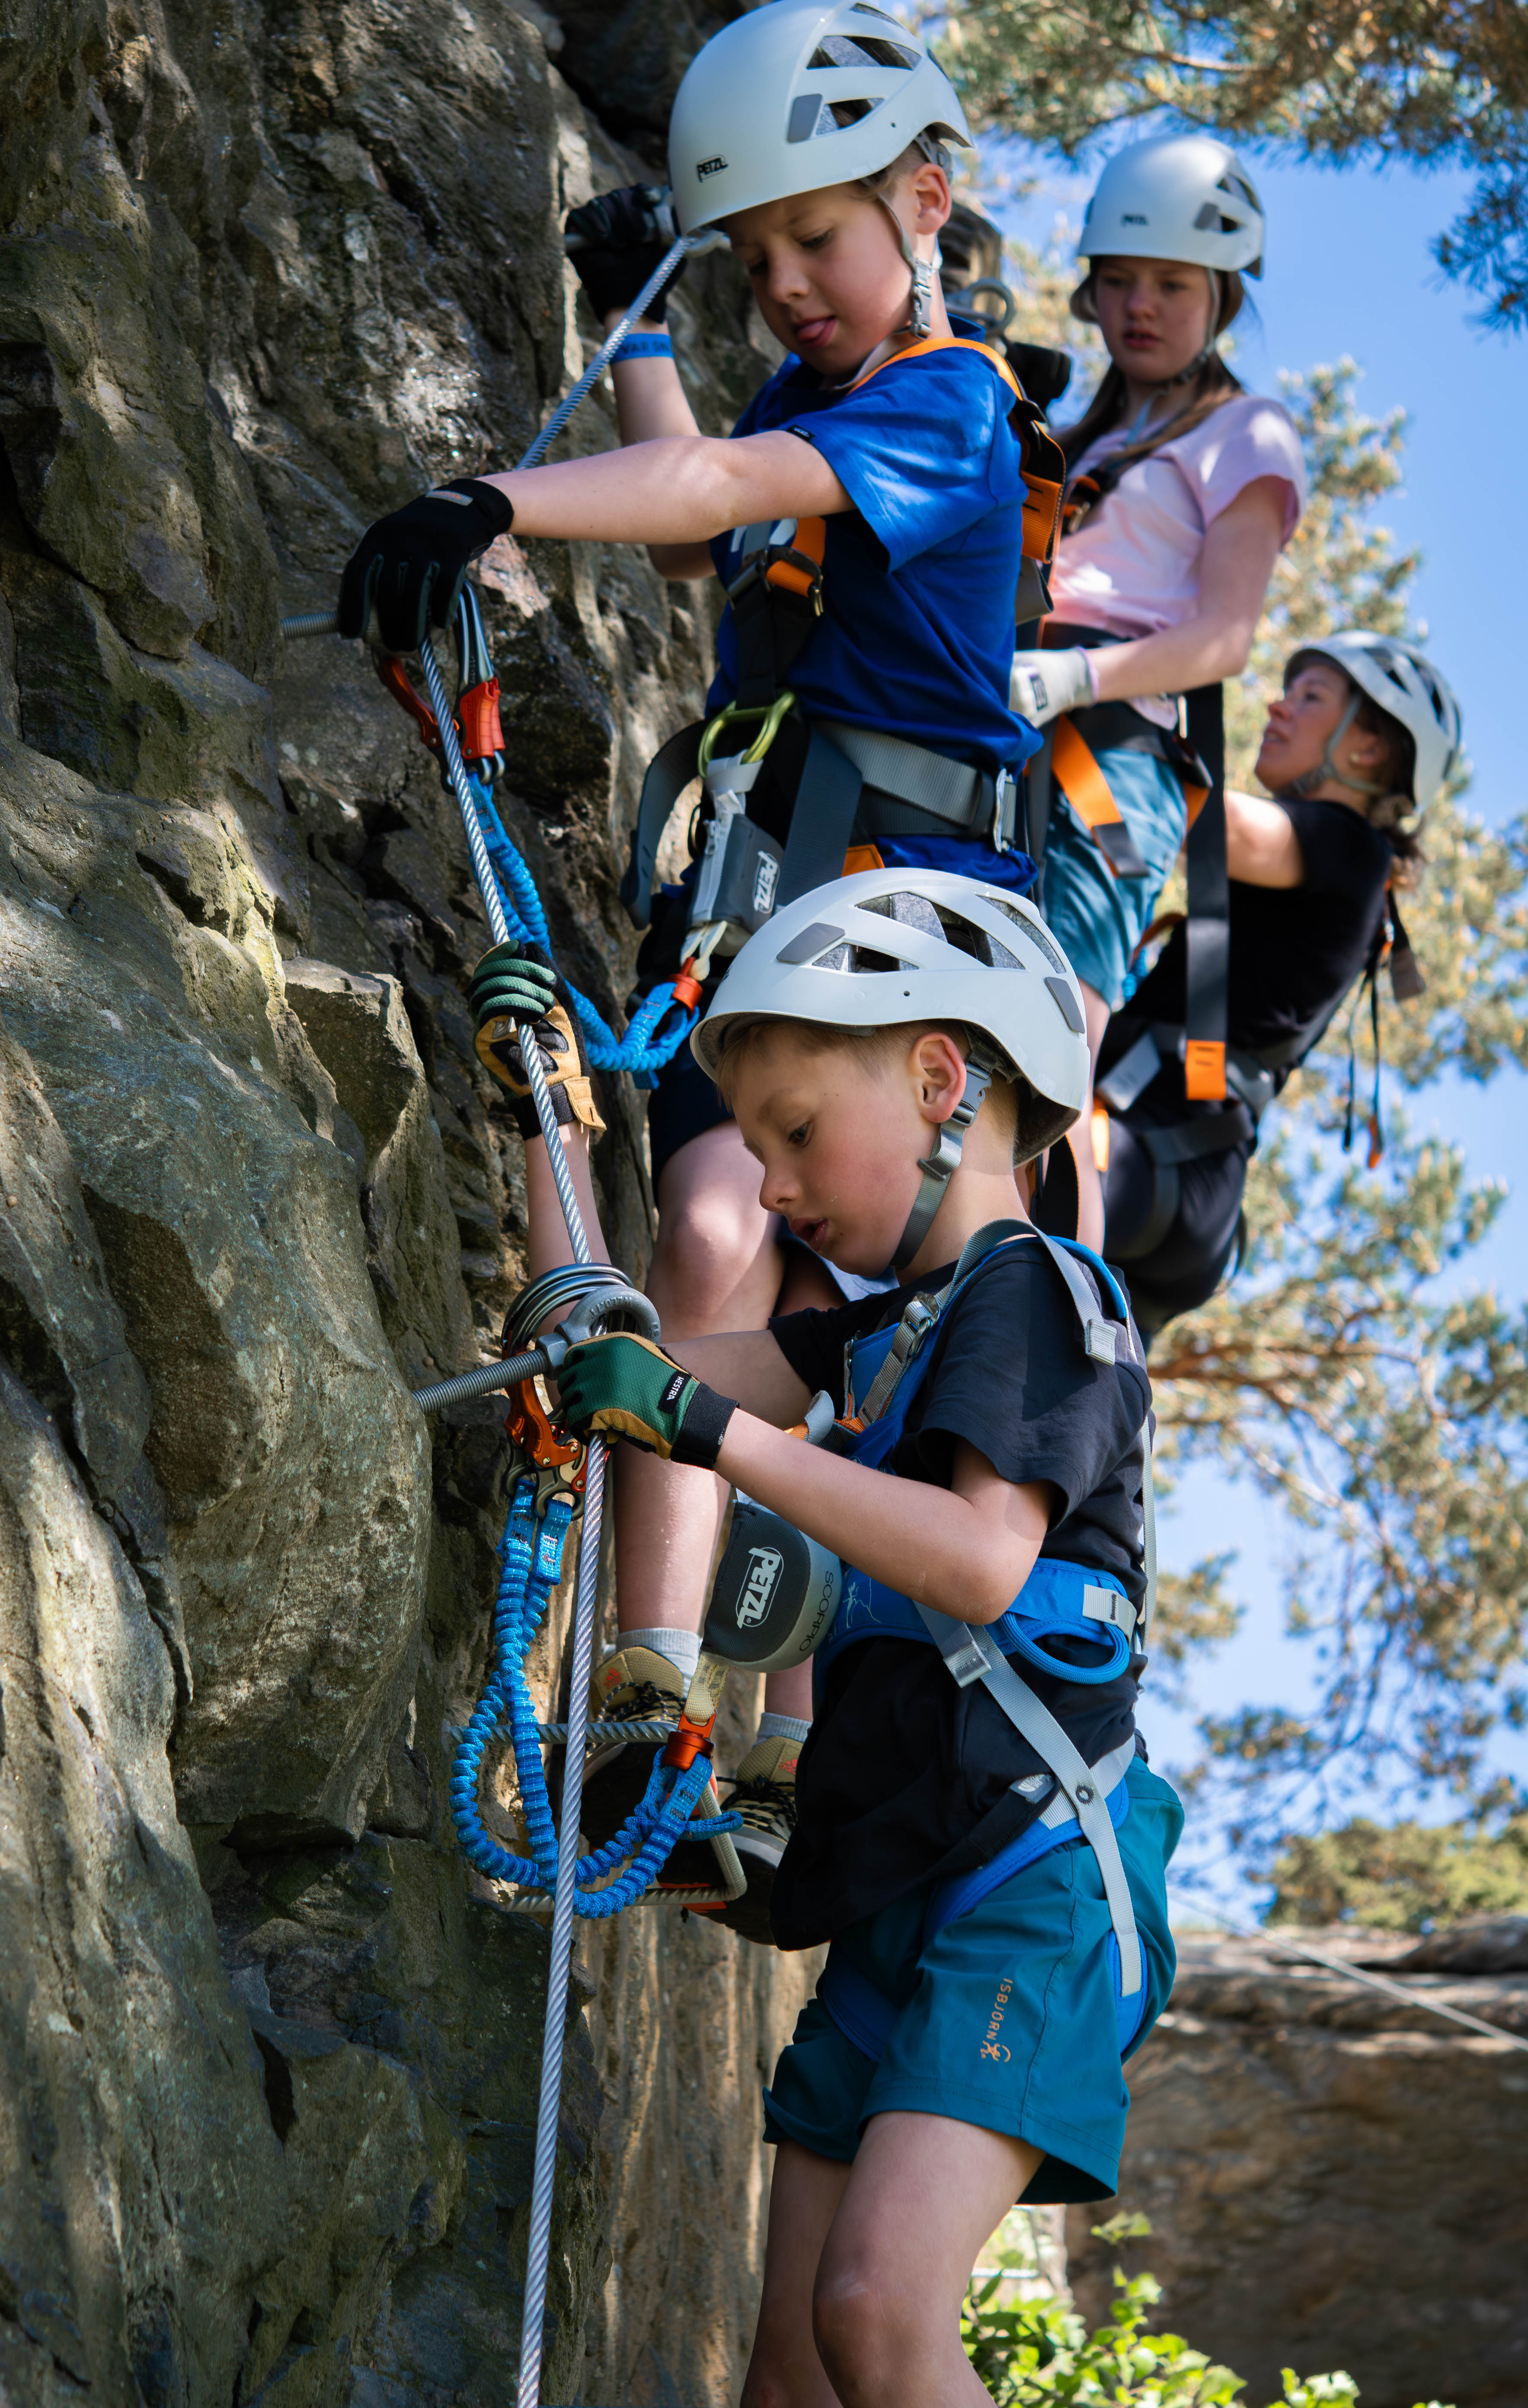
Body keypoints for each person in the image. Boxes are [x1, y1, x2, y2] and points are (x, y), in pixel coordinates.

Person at [342, 0, 1065, 1919]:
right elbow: (708, 538)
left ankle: (717, 1710)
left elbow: (720, 499)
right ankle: (659, 1689)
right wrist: (645, 342)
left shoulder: (950, 402)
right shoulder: (815, 416)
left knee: (757, 1244)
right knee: (719, 1248)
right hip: (755, 943)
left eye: (816, 240)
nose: (789, 285)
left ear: (922, 201)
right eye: (752, 261)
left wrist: (493, 499)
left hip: (889, 976)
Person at [545, 869, 1182, 2408]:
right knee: (791, 2374)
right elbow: (626, 1363)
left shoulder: (1040, 1295)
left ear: (939, 1078)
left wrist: (713, 1432)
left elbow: (975, 1559)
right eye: (756, 1144)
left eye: (793, 1130)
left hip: (1035, 1885)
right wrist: (550, 1120)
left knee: (877, 2318)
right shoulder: (889, 1328)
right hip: (909, 1880)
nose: (768, 1186)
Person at [1009, 133, 1307, 1249]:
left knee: (1056, 1046)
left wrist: (1075, 673)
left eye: (1172, 285)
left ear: (1221, 297)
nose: (1139, 306)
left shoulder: (1247, 432)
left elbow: (1224, 636)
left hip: (1109, 753)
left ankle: (1058, 1328)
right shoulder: (1090, 432)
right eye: (1120, 279)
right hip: (1008, 724)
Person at [1085, 631, 1461, 1335]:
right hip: (1182, 1178)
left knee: (974, 1179)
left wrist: (1093, 696)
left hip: (1160, 1151)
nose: (1277, 706)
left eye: (1310, 697)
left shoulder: (1349, 846)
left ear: (1368, 749)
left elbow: (1199, 822)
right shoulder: (1340, 873)